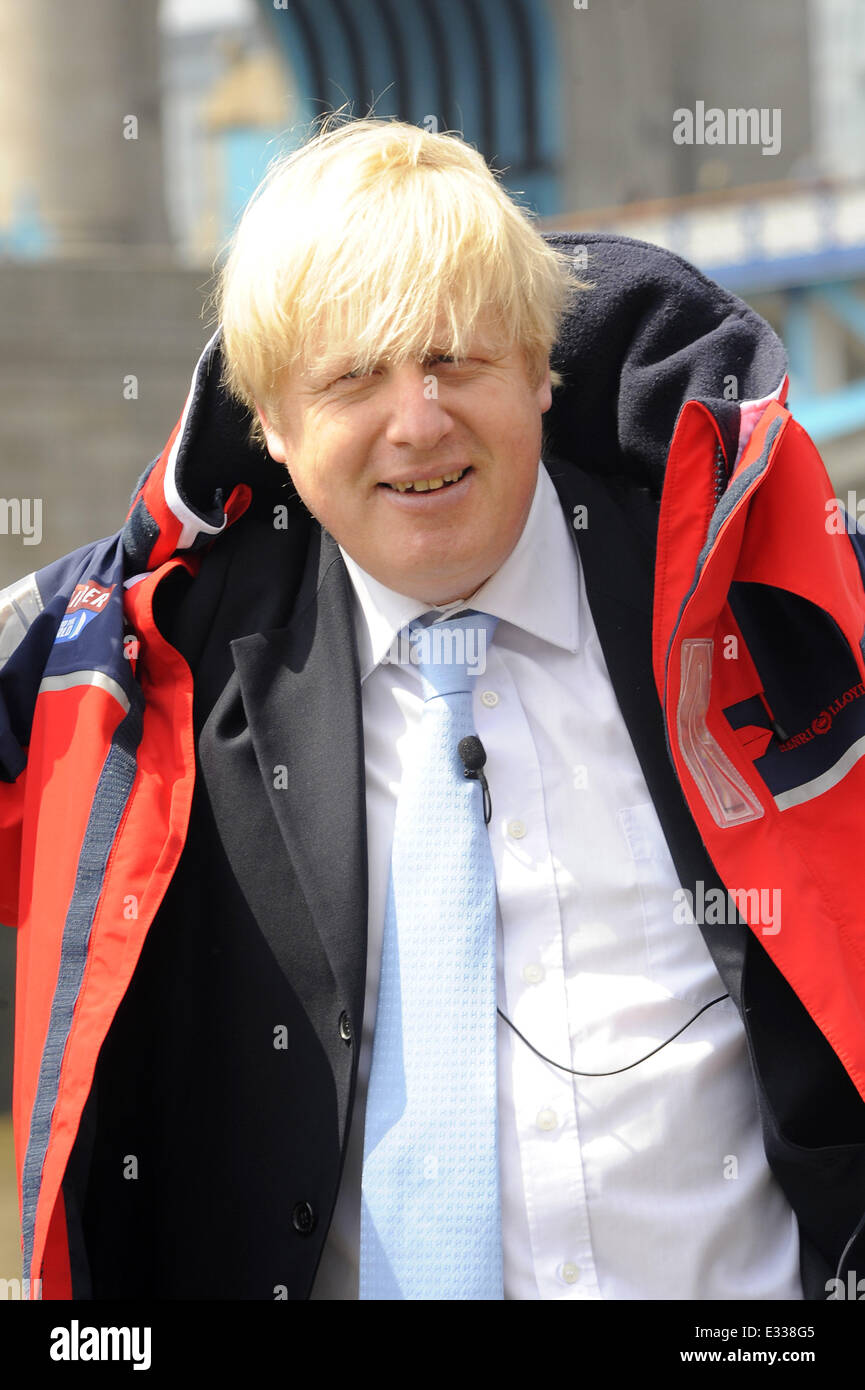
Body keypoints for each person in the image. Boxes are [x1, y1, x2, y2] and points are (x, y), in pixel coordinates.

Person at [3, 115, 865, 1302]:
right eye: (354, 377)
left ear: (539, 368)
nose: (417, 422)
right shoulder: (137, 669)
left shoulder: (784, 600)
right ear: (273, 425)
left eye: (455, 359)